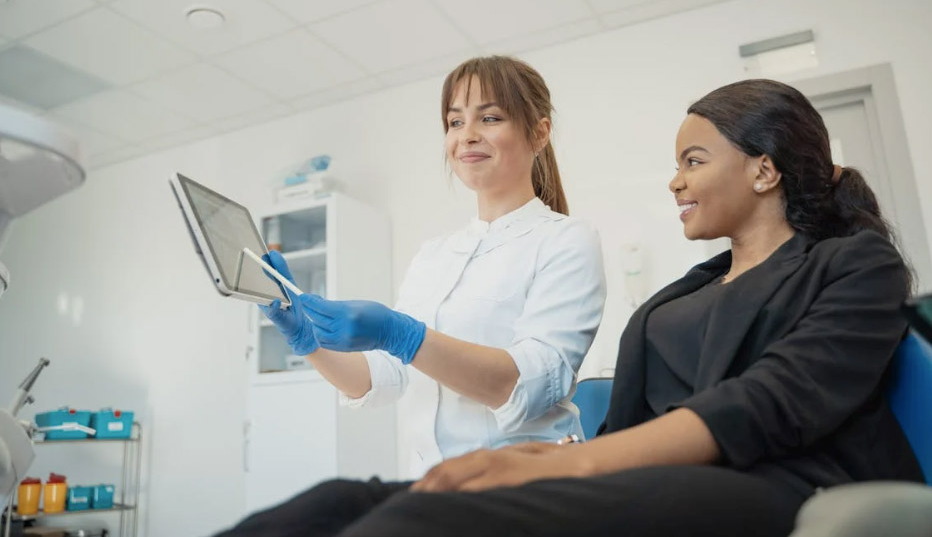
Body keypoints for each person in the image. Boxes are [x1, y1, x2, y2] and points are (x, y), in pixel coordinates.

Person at [217, 79, 924, 537]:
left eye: (694, 161)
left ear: (765, 168)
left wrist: (568, 467)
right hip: (656, 474)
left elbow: (770, 402)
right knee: (331, 504)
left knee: (410, 524)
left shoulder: (852, 262)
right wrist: (309, 339)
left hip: (773, 479)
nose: (674, 180)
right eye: (454, 119)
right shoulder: (687, 292)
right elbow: (627, 418)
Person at [258, 56, 606, 478]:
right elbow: (383, 378)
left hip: (523, 486)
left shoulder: (567, 240)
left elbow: (530, 386)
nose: (467, 136)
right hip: (433, 484)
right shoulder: (434, 255)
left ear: (539, 132)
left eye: (490, 117)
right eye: (455, 122)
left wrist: (404, 335)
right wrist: (308, 339)